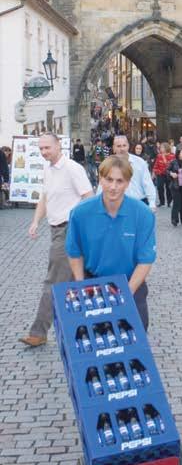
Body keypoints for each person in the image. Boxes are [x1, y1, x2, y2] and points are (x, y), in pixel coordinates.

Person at [66, 155, 156, 330]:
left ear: (128, 183)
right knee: (92, 341)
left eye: (120, 181)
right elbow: (74, 252)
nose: (113, 187)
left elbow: (145, 260)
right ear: (100, 179)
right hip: (91, 281)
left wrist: (126, 295)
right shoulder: (80, 213)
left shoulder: (143, 214)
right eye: (109, 180)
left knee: (134, 339)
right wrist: (81, 286)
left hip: (130, 283)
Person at [19, 133, 92, 347]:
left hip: (69, 230)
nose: (43, 152)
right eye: (40, 149)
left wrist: (75, 222)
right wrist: (35, 221)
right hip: (55, 229)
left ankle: (38, 332)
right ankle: (82, 328)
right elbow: (45, 198)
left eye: (47, 148)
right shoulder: (48, 169)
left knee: (53, 281)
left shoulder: (72, 169)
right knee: (72, 282)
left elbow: (89, 198)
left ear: (59, 145)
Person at [112, 134, 156, 211]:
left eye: (124, 145)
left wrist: (152, 202)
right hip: (117, 205)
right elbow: (102, 186)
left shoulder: (140, 162)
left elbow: (147, 183)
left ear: (128, 146)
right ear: (114, 148)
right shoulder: (109, 164)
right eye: (118, 146)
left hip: (139, 203)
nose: (122, 149)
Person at [167, 146, 182, 226]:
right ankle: (174, 219)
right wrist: (171, 173)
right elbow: (167, 170)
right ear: (178, 154)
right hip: (175, 185)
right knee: (176, 202)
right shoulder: (173, 162)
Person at [153, 142, 175, 207]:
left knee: (169, 188)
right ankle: (161, 202)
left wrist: (165, 159)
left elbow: (171, 165)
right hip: (160, 174)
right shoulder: (159, 156)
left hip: (169, 174)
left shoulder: (172, 155)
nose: (160, 148)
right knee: (160, 187)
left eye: (162, 147)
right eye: (160, 147)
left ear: (166, 148)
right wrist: (155, 172)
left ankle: (169, 202)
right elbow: (156, 165)